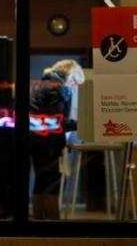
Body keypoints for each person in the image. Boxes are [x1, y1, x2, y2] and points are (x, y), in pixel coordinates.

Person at [29, 59, 85, 219]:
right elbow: (55, 120)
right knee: (51, 180)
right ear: (67, 75)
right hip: (48, 142)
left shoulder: (43, 84)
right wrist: (82, 123)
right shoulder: (56, 88)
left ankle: (40, 215)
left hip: (36, 139)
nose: (75, 86)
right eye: (74, 81)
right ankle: (52, 217)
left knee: (41, 179)